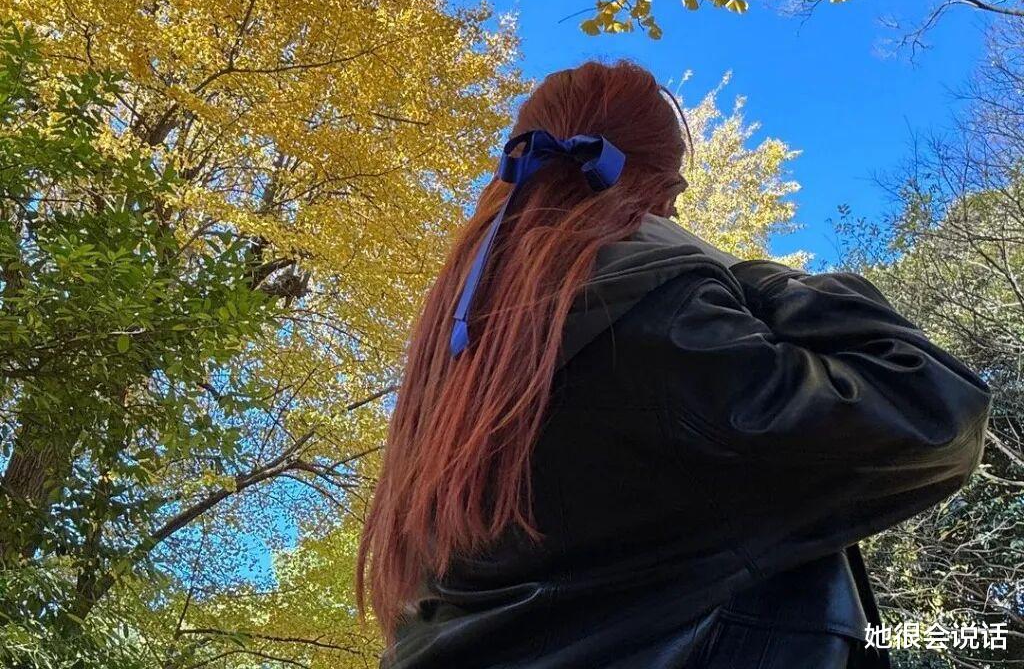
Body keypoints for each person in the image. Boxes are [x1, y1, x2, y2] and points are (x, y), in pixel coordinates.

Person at [356, 60, 993, 669]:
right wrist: (749, 273)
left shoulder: (454, 371)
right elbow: (935, 412)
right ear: (661, 194)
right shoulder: (665, 328)